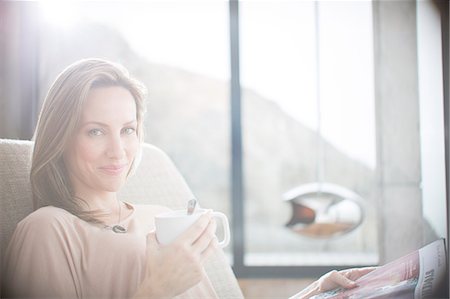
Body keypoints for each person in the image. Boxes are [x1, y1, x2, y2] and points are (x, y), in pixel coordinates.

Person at [2, 58, 375, 298]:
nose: (118, 151)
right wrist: (156, 289)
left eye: (128, 130)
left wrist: (314, 292)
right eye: (96, 132)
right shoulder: (48, 231)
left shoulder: (161, 217)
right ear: (61, 138)